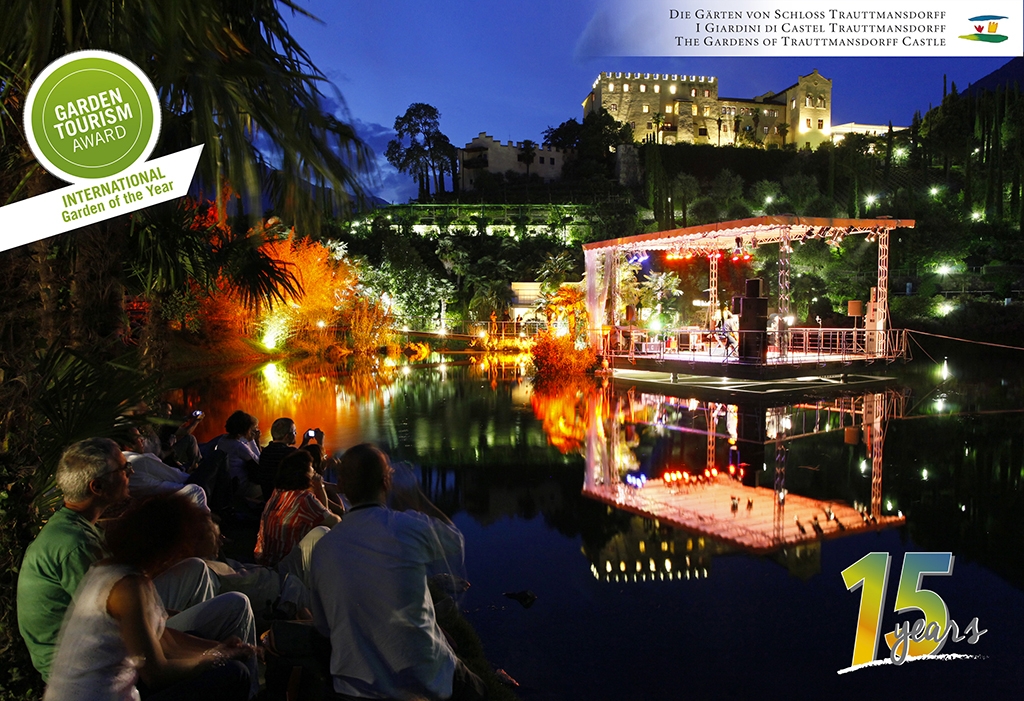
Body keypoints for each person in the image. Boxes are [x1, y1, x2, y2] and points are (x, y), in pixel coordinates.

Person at [17, 438, 258, 688]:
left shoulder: (76, 528)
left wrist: (212, 649)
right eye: (123, 469)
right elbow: (133, 637)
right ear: (97, 486)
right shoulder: (76, 545)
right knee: (235, 609)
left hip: (105, 646)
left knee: (198, 572)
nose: (130, 473)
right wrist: (214, 653)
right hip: (81, 670)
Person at [310, 444, 485, 701]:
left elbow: (323, 627)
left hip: (354, 688)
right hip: (424, 680)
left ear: (342, 487)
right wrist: (414, 495)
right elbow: (453, 540)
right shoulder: (407, 528)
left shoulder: (323, 549)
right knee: (477, 689)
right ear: (386, 482)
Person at [43, 494, 254, 701]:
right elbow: (156, 673)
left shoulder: (113, 569)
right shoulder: (128, 587)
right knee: (234, 674)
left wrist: (220, 648)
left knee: (215, 651)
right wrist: (217, 658)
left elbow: (166, 641)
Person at [254, 450, 342, 572]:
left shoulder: (278, 492)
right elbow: (336, 522)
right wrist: (320, 488)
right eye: (311, 467)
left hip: (265, 560)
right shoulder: (304, 500)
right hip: (285, 567)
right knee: (324, 531)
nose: (314, 471)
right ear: (303, 473)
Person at [258, 418, 320, 502]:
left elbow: (294, 456)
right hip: (286, 501)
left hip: (269, 498)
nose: (296, 433)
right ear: (287, 436)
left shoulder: (265, 452)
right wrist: (320, 443)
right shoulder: (289, 452)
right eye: (294, 432)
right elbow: (315, 466)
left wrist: (305, 442)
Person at [215, 411, 262, 500]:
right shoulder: (239, 447)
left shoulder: (222, 440)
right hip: (240, 488)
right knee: (268, 487)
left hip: (227, 484)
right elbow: (259, 461)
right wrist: (253, 440)